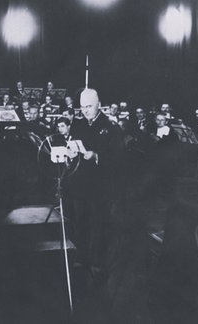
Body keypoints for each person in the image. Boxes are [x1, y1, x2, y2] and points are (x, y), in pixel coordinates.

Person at [67, 88, 123, 275]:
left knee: (98, 224)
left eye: (89, 106)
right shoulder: (78, 124)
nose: (85, 110)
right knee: (79, 223)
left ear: (99, 104)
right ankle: (81, 258)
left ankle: (97, 262)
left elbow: (118, 158)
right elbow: (73, 145)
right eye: (82, 107)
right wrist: (71, 153)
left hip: (100, 185)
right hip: (79, 184)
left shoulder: (111, 127)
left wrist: (96, 156)